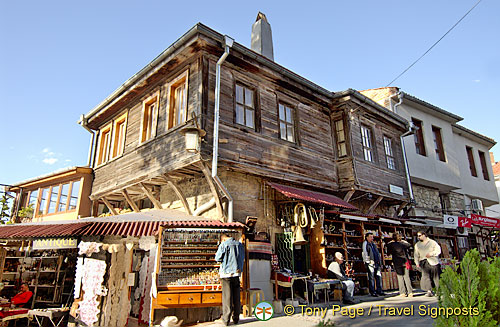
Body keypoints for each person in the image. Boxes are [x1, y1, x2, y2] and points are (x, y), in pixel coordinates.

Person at [215, 233, 245, 326]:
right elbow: (242, 257)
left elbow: (218, 258)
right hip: (237, 273)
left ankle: (226, 319)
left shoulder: (224, 244)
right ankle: (236, 317)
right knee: (236, 296)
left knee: (227, 297)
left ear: (223, 239)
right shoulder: (239, 245)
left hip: (226, 274)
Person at [414, 231, 441, 297]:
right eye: (418, 236)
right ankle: (429, 291)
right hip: (423, 261)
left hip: (433, 261)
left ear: (424, 235)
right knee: (426, 277)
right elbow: (416, 254)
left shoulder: (432, 242)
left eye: (419, 235)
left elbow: (438, 250)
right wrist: (417, 263)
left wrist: (431, 254)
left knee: (436, 277)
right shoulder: (417, 245)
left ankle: (438, 291)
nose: (418, 237)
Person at [362, 232, 384, 297]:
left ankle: (379, 290)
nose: (372, 238)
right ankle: (372, 291)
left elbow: (377, 253)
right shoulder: (365, 243)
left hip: (376, 262)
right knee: (371, 278)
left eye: (372, 237)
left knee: (378, 276)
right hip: (371, 262)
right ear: (367, 237)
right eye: (370, 237)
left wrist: (380, 262)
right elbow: (365, 253)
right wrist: (367, 261)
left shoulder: (373, 244)